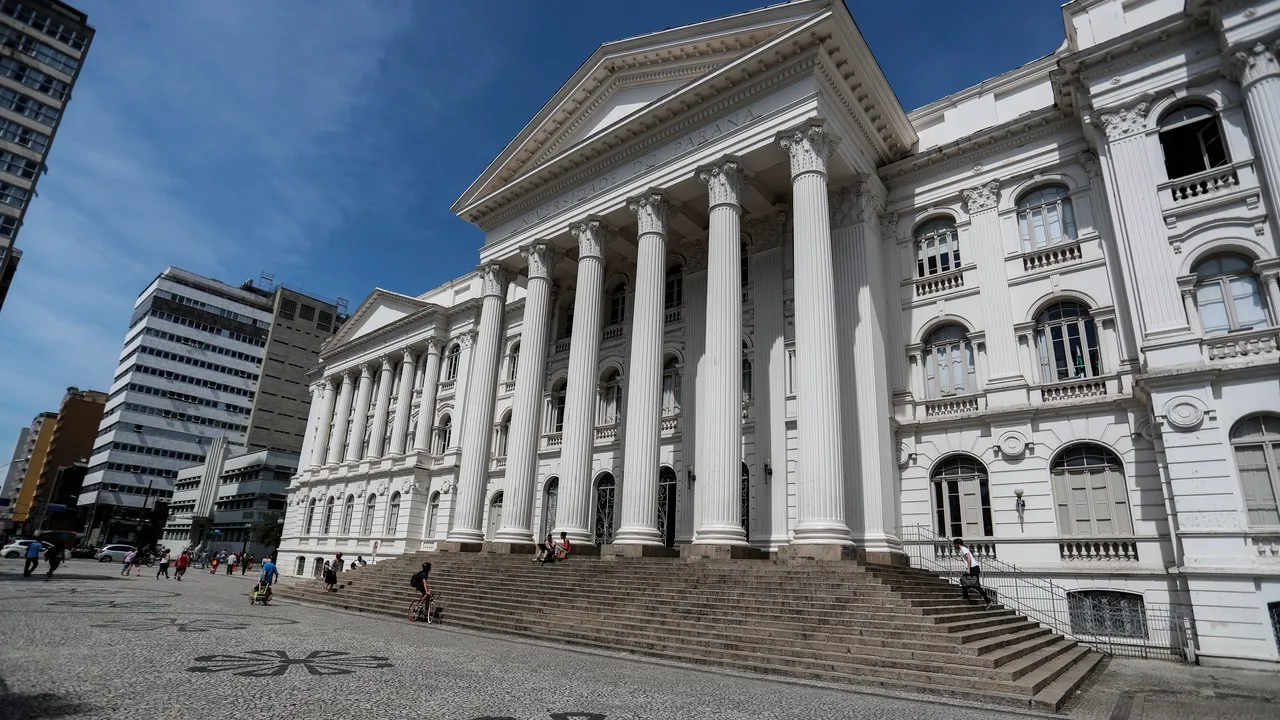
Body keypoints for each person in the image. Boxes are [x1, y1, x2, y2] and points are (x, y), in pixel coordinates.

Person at [953, 537, 992, 609]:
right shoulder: (963, 549)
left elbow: (969, 558)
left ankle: (988, 601)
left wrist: (968, 568)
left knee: (972, 583)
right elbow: (967, 558)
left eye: (955, 544)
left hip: (973, 568)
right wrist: (960, 559)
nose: (955, 546)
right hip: (974, 567)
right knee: (965, 581)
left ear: (957, 544)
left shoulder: (963, 549)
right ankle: (966, 596)